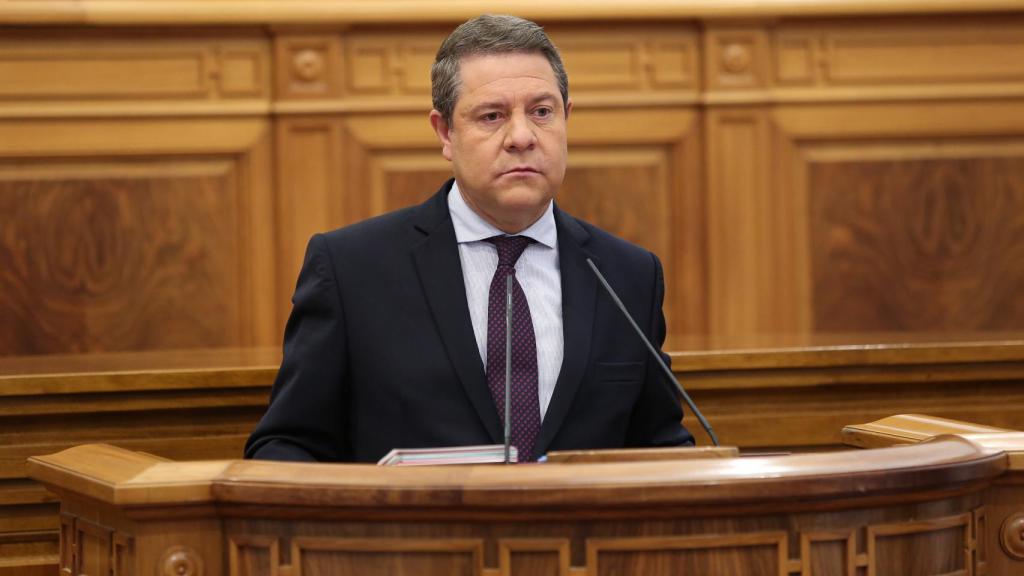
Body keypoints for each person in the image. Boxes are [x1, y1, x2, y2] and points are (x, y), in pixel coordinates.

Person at [245, 14, 693, 463]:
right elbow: (287, 445)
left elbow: (660, 444)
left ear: (566, 118)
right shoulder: (351, 270)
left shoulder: (627, 274)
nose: (521, 137)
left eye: (542, 112)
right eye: (492, 116)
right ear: (445, 133)